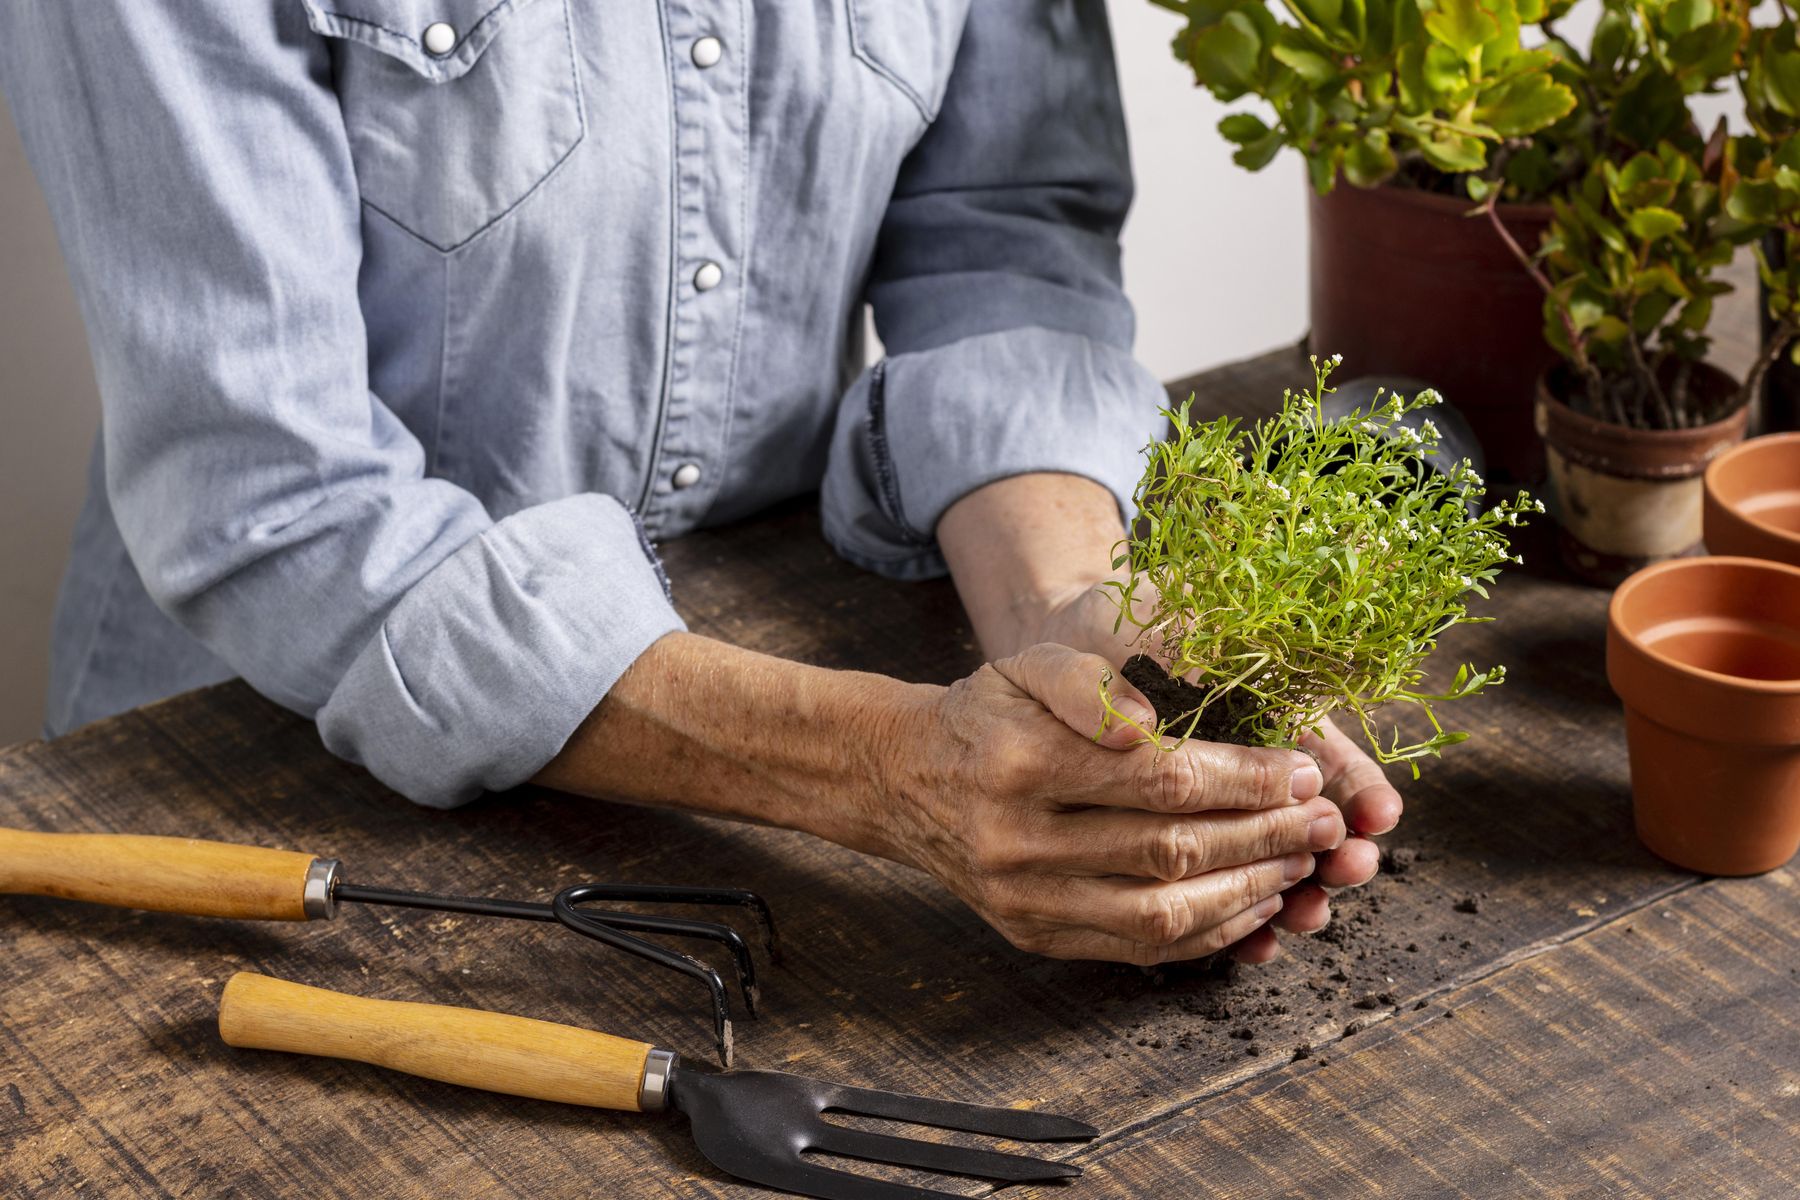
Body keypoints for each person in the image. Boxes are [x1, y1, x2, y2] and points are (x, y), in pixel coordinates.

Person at [0, 0, 1399, 968]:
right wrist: (889, 770)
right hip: (238, 787)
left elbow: (1001, 235)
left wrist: (1069, 613)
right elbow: (274, 495)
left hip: (761, 676)